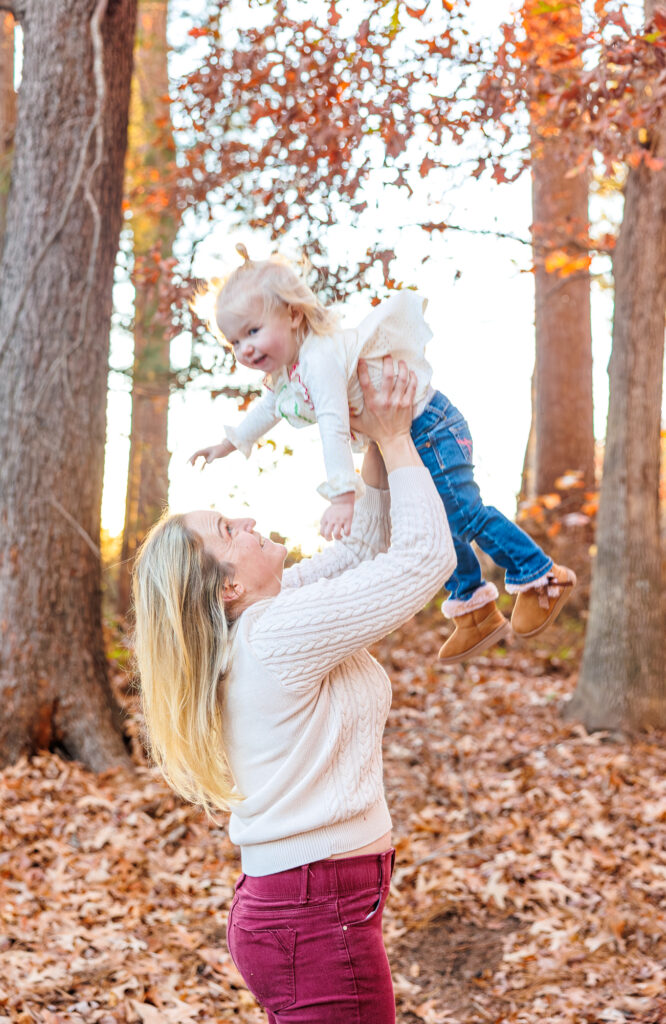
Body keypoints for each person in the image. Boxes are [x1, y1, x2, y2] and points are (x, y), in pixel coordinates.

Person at [134, 358, 457, 1023]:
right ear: (228, 585)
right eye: (229, 531)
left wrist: (373, 435)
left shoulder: (263, 618)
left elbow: (364, 552)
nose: (247, 519)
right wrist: (397, 438)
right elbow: (424, 561)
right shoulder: (273, 633)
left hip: (312, 907)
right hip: (313, 916)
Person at [189, 245, 576, 663]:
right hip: (410, 429)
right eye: (234, 341)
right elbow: (268, 409)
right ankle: (473, 608)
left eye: (253, 331)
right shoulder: (289, 374)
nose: (244, 349)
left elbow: (334, 424)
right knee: (439, 519)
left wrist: (343, 496)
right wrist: (229, 443)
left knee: (463, 514)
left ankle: (540, 573)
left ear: (293, 315)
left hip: (431, 425)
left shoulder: (319, 359)